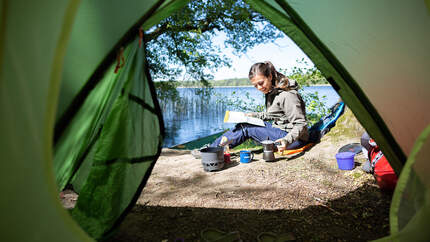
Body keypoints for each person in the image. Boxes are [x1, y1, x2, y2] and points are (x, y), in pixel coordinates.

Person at [207, 61, 309, 152]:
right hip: (281, 132)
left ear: (269, 76)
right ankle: (214, 148)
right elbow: (275, 114)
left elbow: (301, 124)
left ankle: (213, 150)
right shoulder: (272, 92)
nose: (259, 88)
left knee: (247, 128)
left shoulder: (288, 95)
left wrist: (287, 140)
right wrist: (252, 115)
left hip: (294, 139)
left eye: (261, 83)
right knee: (245, 123)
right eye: (255, 86)